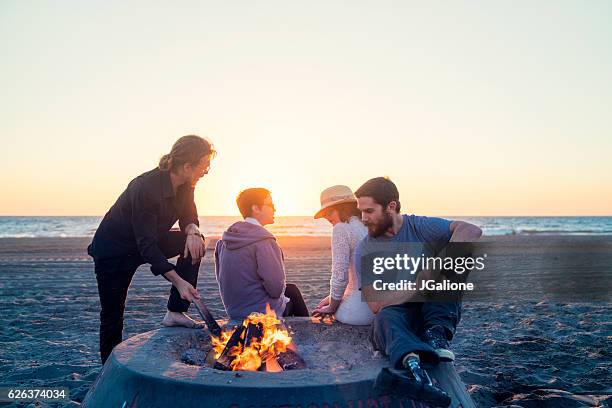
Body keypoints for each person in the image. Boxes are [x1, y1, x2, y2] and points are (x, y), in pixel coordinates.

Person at [354, 177, 482, 406]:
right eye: (361, 212)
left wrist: (438, 266)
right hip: (399, 313)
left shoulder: (419, 226)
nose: (364, 218)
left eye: (369, 211)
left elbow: (471, 231)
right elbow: (375, 304)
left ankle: (436, 335)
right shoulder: (366, 247)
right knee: (383, 318)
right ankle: (412, 363)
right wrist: (417, 286)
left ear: (391, 207)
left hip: (436, 307)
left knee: (456, 263)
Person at [87, 135, 214, 364]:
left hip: (147, 242)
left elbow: (188, 216)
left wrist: (194, 230)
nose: (206, 171)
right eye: (204, 165)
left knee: (194, 242)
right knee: (112, 315)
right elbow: (146, 245)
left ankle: (175, 311)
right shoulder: (145, 187)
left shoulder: (187, 185)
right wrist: (178, 281)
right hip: (113, 252)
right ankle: (108, 369)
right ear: (187, 166)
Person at [214, 188, 309, 320]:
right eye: (270, 205)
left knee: (290, 289)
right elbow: (275, 289)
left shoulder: (223, 242)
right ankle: (307, 334)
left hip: (234, 311)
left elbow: (223, 280)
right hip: (260, 313)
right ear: (256, 208)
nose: (274, 209)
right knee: (292, 292)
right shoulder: (264, 241)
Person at [312, 185, 374, 325]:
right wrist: (331, 297)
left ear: (343, 208)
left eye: (329, 211)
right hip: (379, 308)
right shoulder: (369, 225)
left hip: (358, 312)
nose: (326, 217)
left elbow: (340, 276)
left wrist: (332, 306)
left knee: (322, 309)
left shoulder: (341, 229)